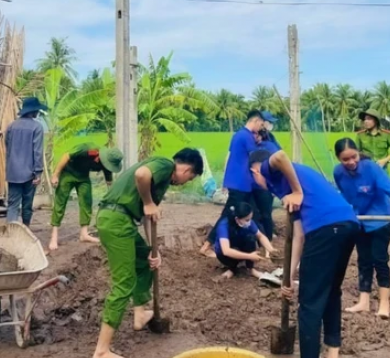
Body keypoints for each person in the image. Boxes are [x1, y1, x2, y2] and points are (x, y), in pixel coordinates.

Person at [93, 148, 204, 358]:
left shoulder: (161, 182)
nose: (185, 182)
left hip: (121, 220)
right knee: (123, 283)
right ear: (187, 169)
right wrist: (148, 202)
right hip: (117, 221)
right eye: (190, 178)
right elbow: (141, 174)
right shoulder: (165, 165)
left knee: (144, 260)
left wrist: (153, 249)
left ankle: (140, 314)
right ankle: (101, 351)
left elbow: (147, 217)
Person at [250, 149, 358, 358]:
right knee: (330, 291)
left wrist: (297, 191)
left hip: (325, 229)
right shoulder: (292, 181)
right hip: (349, 225)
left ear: (255, 171)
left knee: (309, 304)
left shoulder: (269, 171)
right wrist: (287, 280)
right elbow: (299, 236)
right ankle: (332, 352)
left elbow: (280, 155)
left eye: (254, 177)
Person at [333, 138, 390, 318]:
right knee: (364, 260)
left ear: (358, 153)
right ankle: (363, 302)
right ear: (338, 158)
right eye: (345, 159)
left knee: (379, 259)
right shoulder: (338, 173)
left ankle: (384, 303)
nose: (351, 162)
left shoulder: (371, 168)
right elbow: (344, 194)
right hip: (360, 220)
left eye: (354, 157)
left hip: (382, 219)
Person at [199, 110, 264, 257]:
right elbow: (256, 159)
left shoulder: (238, 135)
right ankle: (207, 246)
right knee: (227, 215)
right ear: (255, 121)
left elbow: (230, 159)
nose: (261, 128)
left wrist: (225, 180)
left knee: (253, 214)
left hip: (240, 183)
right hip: (241, 184)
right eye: (261, 124)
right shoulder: (247, 137)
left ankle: (255, 247)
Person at [49, 143, 124, 251]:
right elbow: (66, 156)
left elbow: (109, 184)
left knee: (86, 202)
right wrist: (55, 175)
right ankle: (54, 236)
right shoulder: (89, 150)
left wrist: (114, 199)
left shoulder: (107, 165)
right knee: (60, 202)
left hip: (83, 176)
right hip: (68, 173)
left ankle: (84, 234)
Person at [5, 97, 46, 226]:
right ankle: (26, 230)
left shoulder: (12, 126)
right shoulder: (37, 127)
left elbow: (7, 144)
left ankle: (11, 233)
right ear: (33, 111)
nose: (38, 112)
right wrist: (38, 173)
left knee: (13, 205)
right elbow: (37, 152)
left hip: (13, 172)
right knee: (27, 205)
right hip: (29, 173)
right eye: (37, 110)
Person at [214, 202, 275, 279]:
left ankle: (250, 268)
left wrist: (271, 249)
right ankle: (232, 268)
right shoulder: (224, 225)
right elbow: (226, 251)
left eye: (250, 219)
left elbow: (260, 236)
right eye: (247, 220)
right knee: (227, 253)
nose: (249, 222)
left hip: (239, 248)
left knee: (250, 238)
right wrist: (249, 256)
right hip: (224, 255)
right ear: (237, 219)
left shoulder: (248, 223)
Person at [252, 129, 280, 243]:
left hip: (264, 186)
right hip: (254, 185)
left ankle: (267, 239)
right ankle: (262, 239)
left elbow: (277, 164)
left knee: (265, 214)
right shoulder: (253, 146)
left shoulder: (270, 147)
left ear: (260, 135)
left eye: (254, 134)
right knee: (260, 214)